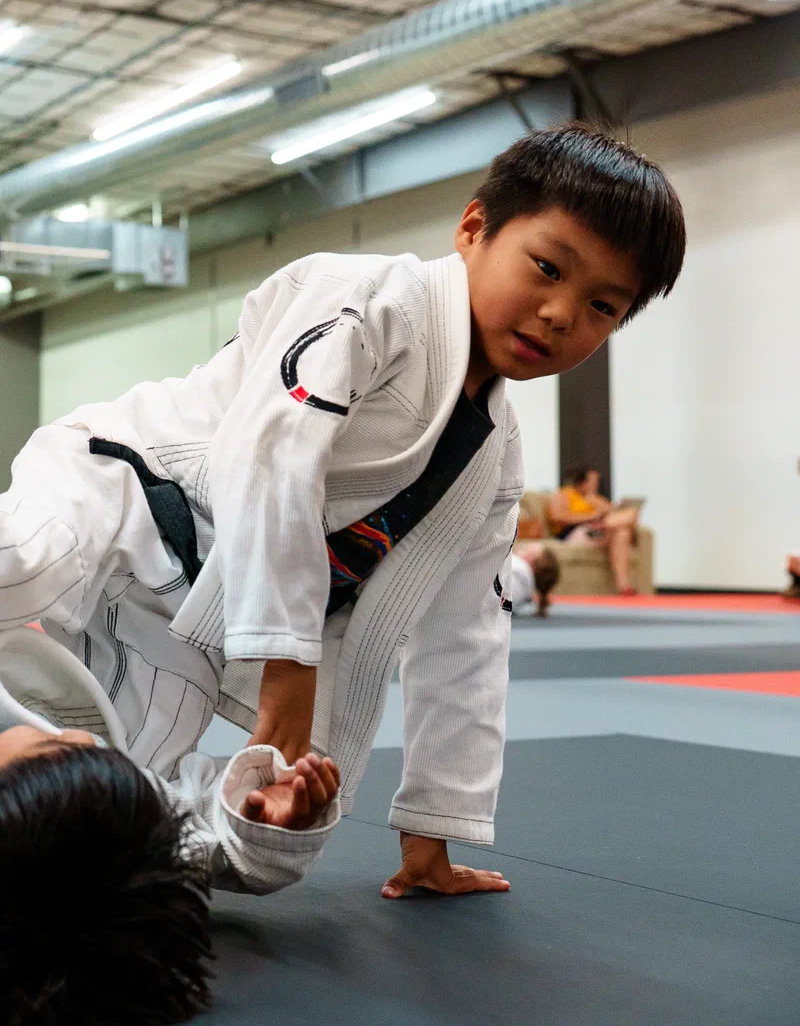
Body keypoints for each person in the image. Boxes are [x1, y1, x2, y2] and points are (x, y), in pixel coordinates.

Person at [0, 124, 686, 941]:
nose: (561, 312)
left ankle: (213, 812)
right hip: (113, 495)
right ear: (473, 229)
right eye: (547, 267)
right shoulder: (362, 298)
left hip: (187, 622)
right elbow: (271, 456)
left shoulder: (492, 462)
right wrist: (290, 670)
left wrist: (433, 828)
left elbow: (467, 635)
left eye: (602, 306)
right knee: (17, 561)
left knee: (133, 826)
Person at [0, 621, 340, 1026]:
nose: (77, 737)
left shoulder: (54, 812)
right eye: (58, 742)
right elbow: (209, 845)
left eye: (53, 742)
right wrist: (264, 832)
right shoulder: (111, 816)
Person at [547, 466, 641, 595]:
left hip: (596, 531)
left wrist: (596, 504)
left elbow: (612, 511)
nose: (595, 485)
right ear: (582, 481)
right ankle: (603, 525)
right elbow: (557, 517)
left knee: (623, 531)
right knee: (626, 520)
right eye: (592, 481)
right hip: (574, 533)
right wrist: (591, 516)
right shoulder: (564, 494)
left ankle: (624, 587)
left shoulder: (594, 498)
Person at [510, 544, 561, 618]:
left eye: (526, 550)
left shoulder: (518, 566)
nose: (522, 550)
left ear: (534, 565)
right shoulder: (522, 594)